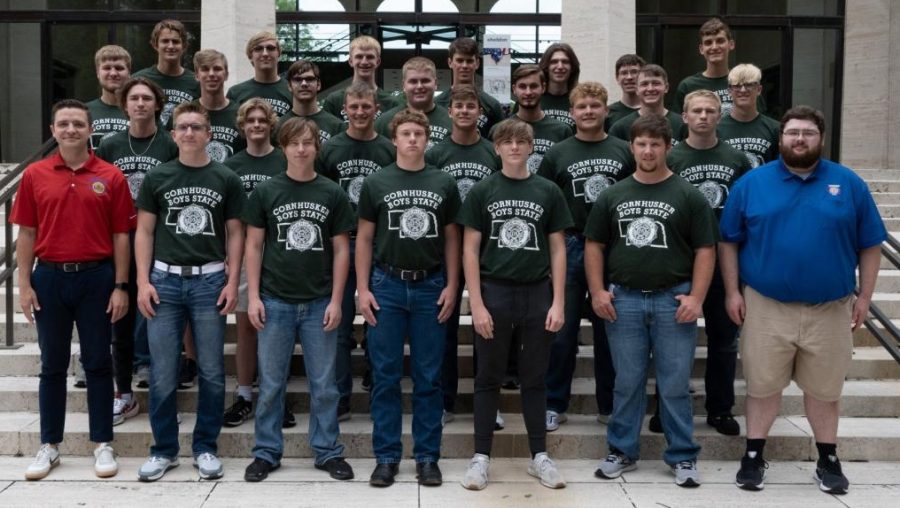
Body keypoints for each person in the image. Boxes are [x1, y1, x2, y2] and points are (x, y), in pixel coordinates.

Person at [719, 106, 886, 494]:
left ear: (821, 139)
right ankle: (753, 456)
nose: (799, 139)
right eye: (792, 133)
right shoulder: (752, 183)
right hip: (766, 305)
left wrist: (865, 296)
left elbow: (871, 244)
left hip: (830, 308)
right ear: (780, 139)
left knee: (825, 391)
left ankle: (827, 458)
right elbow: (728, 240)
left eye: (808, 133)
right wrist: (731, 291)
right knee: (762, 387)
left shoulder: (849, 184)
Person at [586, 114, 718, 488]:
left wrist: (697, 297)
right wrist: (597, 290)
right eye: (641, 144)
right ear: (632, 147)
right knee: (626, 381)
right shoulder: (614, 194)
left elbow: (706, 249)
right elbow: (595, 244)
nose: (648, 150)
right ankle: (622, 450)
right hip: (623, 300)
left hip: (672, 301)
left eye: (655, 144)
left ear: (667, 148)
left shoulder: (688, 195)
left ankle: (683, 456)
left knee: (674, 383)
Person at [13, 99, 132, 480]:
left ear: (89, 128)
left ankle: (102, 443)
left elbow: (121, 237)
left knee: (98, 362)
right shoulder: (34, 175)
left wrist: (120, 286)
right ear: (52, 130)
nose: (70, 130)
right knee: (52, 365)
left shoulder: (110, 176)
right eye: (63, 124)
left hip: (97, 277)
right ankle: (49, 445)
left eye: (78, 124)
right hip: (49, 278)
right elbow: (27, 233)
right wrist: (24, 284)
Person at [457, 119, 572, 491]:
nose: (515, 147)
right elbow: (470, 249)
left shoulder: (548, 190)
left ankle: (539, 456)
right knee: (488, 377)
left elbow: (557, 248)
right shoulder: (482, 190)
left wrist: (558, 301)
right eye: (507, 141)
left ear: (531, 146)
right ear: (496, 148)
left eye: (522, 140)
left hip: (537, 292)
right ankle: (480, 458)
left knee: (534, 377)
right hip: (495, 291)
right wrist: (476, 303)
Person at [135, 102, 246, 482]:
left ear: (209, 133)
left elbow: (235, 232)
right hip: (164, 281)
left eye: (197, 127)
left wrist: (233, 281)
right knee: (163, 372)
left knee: (212, 371)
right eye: (182, 127)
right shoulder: (158, 177)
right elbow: (145, 232)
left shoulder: (225, 177)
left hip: (209, 281)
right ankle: (163, 450)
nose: (189, 133)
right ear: (173, 134)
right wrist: (142, 281)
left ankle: (205, 447)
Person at [242, 118, 356, 482]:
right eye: (295, 143)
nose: (302, 149)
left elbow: (342, 251)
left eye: (308, 143)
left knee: (324, 384)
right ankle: (266, 451)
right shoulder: (266, 191)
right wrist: (254, 296)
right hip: (275, 300)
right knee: (272, 383)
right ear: (283, 147)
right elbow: (254, 245)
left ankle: (327, 451)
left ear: (317, 148)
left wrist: (338, 300)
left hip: (320, 300)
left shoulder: (332, 193)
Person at [356, 108, 461, 488]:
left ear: (427, 138)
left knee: (428, 377)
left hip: (430, 284)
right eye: (406, 133)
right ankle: (386, 456)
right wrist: (363, 288)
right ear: (394, 139)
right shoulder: (377, 182)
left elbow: (452, 238)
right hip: (386, 284)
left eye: (419, 133)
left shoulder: (443, 181)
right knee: (384, 376)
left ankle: (427, 456)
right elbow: (364, 238)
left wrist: (452, 284)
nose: (413, 139)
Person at [538, 81, 634, 431]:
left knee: (611, 331)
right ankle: (553, 403)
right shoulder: (557, 153)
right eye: (582, 107)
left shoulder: (624, 149)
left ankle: (608, 405)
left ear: (606, 110)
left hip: (615, 245)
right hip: (570, 243)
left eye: (595, 105)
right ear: (572, 113)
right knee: (560, 332)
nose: (589, 112)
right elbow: (544, 203)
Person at [665, 89, 751, 436]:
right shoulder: (671, 157)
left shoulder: (736, 159)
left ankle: (720, 408)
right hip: (677, 258)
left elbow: (746, 210)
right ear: (683, 117)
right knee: (670, 342)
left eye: (710, 111)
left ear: (720, 116)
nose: (703, 116)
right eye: (696, 111)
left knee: (724, 339)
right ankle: (668, 408)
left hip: (724, 258)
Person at [95, 76, 179, 419]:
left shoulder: (170, 145)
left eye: (147, 98)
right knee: (121, 320)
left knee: (163, 319)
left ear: (158, 104)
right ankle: (124, 392)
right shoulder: (111, 145)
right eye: (134, 99)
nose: (141, 103)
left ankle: (164, 393)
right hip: (119, 239)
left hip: (164, 240)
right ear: (125, 105)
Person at [317, 82, 396, 421]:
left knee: (379, 322)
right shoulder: (331, 148)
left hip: (379, 245)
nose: (360, 112)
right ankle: (341, 396)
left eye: (366, 106)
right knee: (338, 324)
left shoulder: (388, 150)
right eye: (354, 106)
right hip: (338, 242)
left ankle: (379, 387)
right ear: (344, 109)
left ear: (376, 108)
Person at [426, 85, 501, 425]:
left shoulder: (492, 153)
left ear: (480, 113)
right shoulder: (435, 154)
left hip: (488, 250)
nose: (466, 111)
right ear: (450, 111)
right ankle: (446, 401)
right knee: (445, 329)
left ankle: (491, 403)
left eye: (472, 106)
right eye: (459, 106)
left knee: (491, 330)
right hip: (444, 248)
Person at [221, 99, 288, 428]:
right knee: (246, 326)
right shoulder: (231, 166)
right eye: (251, 120)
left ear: (271, 123)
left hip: (283, 253)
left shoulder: (284, 160)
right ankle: (245, 394)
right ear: (242, 126)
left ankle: (277, 396)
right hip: (246, 251)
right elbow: (226, 219)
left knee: (282, 328)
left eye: (263, 119)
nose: (257, 125)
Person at [672, 17, 764, 116]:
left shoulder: (746, 83)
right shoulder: (688, 86)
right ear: (701, 49)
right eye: (708, 42)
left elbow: (759, 120)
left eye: (720, 41)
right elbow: (679, 126)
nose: (714, 47)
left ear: (731, 44)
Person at [506, 64, 573, 174]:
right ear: (514, 89)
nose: (528, 92)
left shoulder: (562, 131)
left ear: (543, 88)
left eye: (533, 86)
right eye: (522, 86)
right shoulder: (501, 130)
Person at [133, 19, 201, 127]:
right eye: (165, 41)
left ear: (184, 46)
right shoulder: (140, 79)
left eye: (175, 41)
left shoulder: (196, 82)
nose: (170, 46)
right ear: (155, 45)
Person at [434, 37, 505, 138]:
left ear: (477, 63)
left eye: (469, 61)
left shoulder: (492, 105)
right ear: (450, 63)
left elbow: (500, 143)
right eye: (459, 60)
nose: (464, 66)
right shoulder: (437, 104)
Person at [375, 57, 452, 151]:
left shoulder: (451, 121)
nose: (419, 86)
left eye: (425, 81)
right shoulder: (384, 123)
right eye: (413, 81)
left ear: (435, 83)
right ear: (403, 85)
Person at [322, 35, 402, 122]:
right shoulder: (334, 100)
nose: (364, 62)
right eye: (359, 57)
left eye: (370, 57)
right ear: (351, 61)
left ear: (378, 62)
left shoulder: (391, 103)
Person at [717, 63, 779, 168]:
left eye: (749, 85)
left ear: (759, 89)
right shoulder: (716, 128)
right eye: (737, 86)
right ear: (729, 91)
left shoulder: (775, 128)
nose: (743, 90)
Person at [609, 64, 686, 143]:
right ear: (637, 89)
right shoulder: (620, 129)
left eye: (656, 83)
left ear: (666, 87)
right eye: (644, 84)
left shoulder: (683, 125)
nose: (650, 88)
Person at [193, 49, 244, 162]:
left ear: (226, 75)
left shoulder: (241, 113)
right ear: (197, 75)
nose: (211, 74)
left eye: (217, 69)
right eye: (205, 69)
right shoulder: (186, 113)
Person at [276, 60, 344, 144]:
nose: (304, 84)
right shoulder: (278, 127)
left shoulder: (337, 127)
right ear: (289, 86)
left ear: (318, 84)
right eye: (297, 79)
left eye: (309, 79)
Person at [226, 31, 292, 116]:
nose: (265, 53)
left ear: (278, 53)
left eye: (270, 48)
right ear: (250, 56)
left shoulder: (292, 90)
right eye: (258, 49)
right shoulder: (235, 93)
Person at [86, 45, 131, 150]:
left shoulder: (141, 111)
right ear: (97, 73)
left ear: (129, 73)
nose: (113, 73)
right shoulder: (83, 112)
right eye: (107, 68)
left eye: (119, 68)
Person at [537, 42, 580, 128]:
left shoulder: (580, 100)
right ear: (546, 67)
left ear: (572, 68)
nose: (560, 66)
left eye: (565, 61)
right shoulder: (533, 98)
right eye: (554, 62)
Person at [605, 54, 645, 130]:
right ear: (617, 78)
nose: (629, 77)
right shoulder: (608, 114)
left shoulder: (653, 111)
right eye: (624, 73)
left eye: (634, 72)